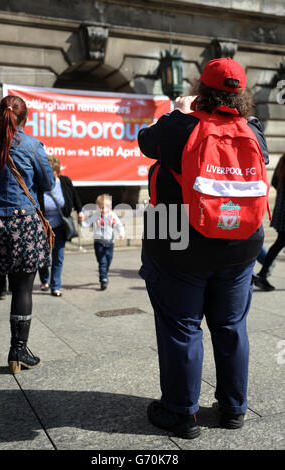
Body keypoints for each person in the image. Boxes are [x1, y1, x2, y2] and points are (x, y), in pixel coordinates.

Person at [137, 58, 269, 439]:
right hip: (242, 242)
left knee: (182, 326)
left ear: (200, 89)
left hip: (178, 238)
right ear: (240, 94)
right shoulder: (254, 130)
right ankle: (233, 409)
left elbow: (145, 142)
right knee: (230, 326)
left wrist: (175, 112)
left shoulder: (181, 125)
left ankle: (180, 412)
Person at [0, 95, 55, 373]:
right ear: (24, 118)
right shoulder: (31, 145)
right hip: (23, 223)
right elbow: (48, 182)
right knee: (22, 288)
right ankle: (18, 352)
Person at [38, 155, 84, 297]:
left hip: (60, 225)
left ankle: (55, 286)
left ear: (56, 171)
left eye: (50, 171)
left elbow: (74, 196)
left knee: (58, 256)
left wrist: (80, 210)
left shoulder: (64, 181)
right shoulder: (39, 185)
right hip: (43, 226)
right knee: (42, 256)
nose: (47, 174)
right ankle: (45, 279)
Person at [82, 194, 125, 290]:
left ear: (110, 207)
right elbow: (86, 224)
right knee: (102, 262)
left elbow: (119, 225)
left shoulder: (112, 215)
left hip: (110, 242)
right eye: (100, 207)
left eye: (105, 207)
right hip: (99, 242)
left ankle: (104, 273)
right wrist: (82, 221)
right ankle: (103, 279)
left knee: (108, 260)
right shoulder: (95, 215)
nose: (102, 209)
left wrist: (121, 233)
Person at [255, 153, 285, 291]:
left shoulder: (283, 158)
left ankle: (262, 274)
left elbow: (273, 181)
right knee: (280, 242)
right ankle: (262, 275)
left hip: (282, 207)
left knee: (280, 241)